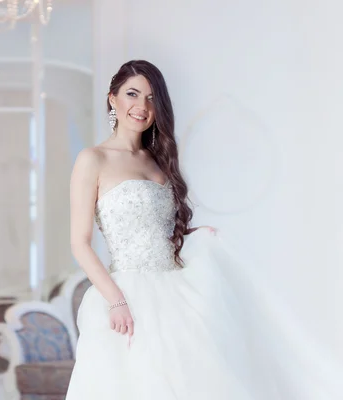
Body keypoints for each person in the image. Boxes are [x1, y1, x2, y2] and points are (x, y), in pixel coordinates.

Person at [66, 60, 343, 399]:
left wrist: (197, 236)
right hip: (127, 294)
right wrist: (115, 300)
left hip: (174, 291)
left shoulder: (159, 159)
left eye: (152, 98)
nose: (141, 107)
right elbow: (80, 244)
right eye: (132, 94)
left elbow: (161, 230)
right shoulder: (93, 159)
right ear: (113, 99)